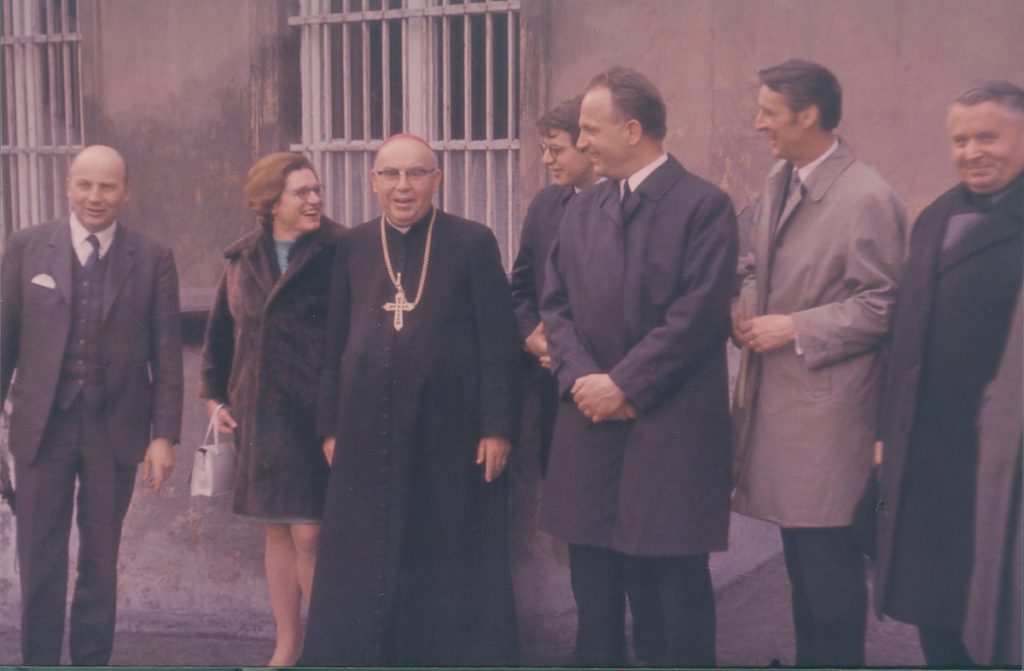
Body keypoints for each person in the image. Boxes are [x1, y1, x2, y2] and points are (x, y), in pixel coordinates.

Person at [539, 67, 738, 667]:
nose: (582, 143)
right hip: (588, 423)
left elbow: (699, 315)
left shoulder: (704, 205)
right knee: (594, 587)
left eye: (590, 130)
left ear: (632, 129)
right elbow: (556, 305)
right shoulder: (582, 208)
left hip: (668, 429)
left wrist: (624, 383)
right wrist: (581, 380)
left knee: (671, 589)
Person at [300, 133, 521, 666]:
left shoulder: (471, 241)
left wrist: (497, 426)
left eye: (416, 173)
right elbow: (334, 343)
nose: (403, 186)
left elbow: (499, 342)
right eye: (391, 175)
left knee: (442, 552)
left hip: (449, 435)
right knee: (365, 556)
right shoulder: (352, 246)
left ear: (437, 181)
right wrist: (330, 425)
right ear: (373, 182)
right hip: (365, 432)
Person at [730, 59, 906, 667]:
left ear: (808, 116)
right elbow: (750, 261)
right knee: (803, 575)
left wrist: (795, 326)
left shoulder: (867, 197)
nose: (757, 124)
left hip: (831, 424)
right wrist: (748, 304)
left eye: (768, 113)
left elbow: (886, 304)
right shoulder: (782, 179)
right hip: (787, 413)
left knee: (830, 581)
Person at [0, 145, 183, 665]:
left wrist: (163, 436)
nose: (95, 197)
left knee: (101, 561)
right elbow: (3, 342)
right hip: (42, 428)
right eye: (85, 184)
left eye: (107, 186)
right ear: (68, 186)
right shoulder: (26, 247)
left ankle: (90, 662)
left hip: (114, 428)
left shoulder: (151, 257)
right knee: (39, 559)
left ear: (126, 192)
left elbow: (168, 353)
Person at [874, 80, 1024, 666]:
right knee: (934, 606)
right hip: (928, 454)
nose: (972, 152)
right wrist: (887, 431)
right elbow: (903, 337)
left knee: (1002, 610)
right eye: (960, 140)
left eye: (988, 137)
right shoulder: (935, 216)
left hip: (1003, 461)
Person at [198, 152, 343, 666]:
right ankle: (288, 643)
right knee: (278, 531)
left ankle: (328, 647)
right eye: (301, 193)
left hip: (319, 416)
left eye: (316, 190)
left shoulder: (341, 251)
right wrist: (216, 402)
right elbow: (219, 339)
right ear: (270, 203)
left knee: (311, 532)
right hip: (257, 417)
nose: (315, 200)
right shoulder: (241, 260)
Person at [510, 94, 600, 473]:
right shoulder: (545, 205)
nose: (546, 160)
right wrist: (531, 335)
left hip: (607, 384)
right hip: (555, 389)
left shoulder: (628, 206)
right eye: (544, 149)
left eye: (556, 150)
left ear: (587, 146)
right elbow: (522, 287)